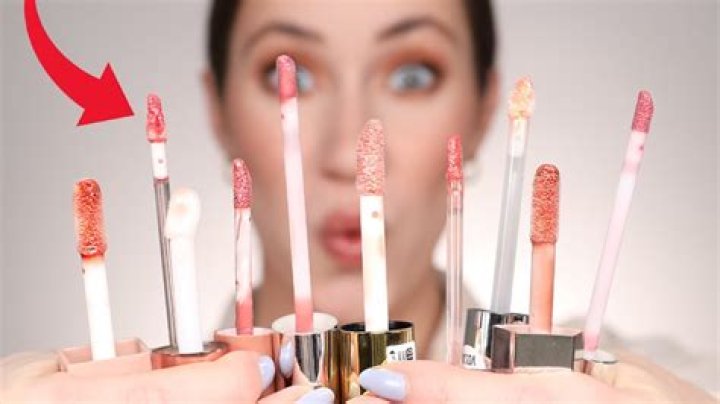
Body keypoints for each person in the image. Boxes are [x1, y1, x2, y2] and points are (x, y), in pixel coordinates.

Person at [2, 0, 714, 402]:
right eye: (291, 76)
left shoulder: (676, 384)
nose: (349, 152)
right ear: (217, 111)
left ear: (483, 109)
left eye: (412, 75)